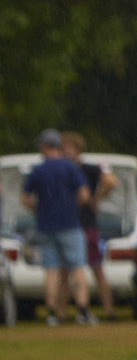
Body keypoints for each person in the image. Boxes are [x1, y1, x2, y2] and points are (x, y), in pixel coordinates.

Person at [19, 130, 94, 326]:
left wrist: (39, 209)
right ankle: (83, 311)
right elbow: (85, 195)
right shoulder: (70, 168)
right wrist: (71, 205)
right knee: (77, 268)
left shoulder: (38, 170)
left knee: (50, 271)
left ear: (45, 146)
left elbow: (25, 199)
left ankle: (51, 313)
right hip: (70, 225)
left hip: (45, 226)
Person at [61, 132, 116, 317]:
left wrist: (95, 199)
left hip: (83, 224)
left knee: (94, 269)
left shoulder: (87, 169)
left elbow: (110, 181)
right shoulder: (71, 169)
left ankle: (108, 310)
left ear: (76, 149)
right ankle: (62, 313)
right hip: (72, 224)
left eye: (66, 147)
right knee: (67, 272)